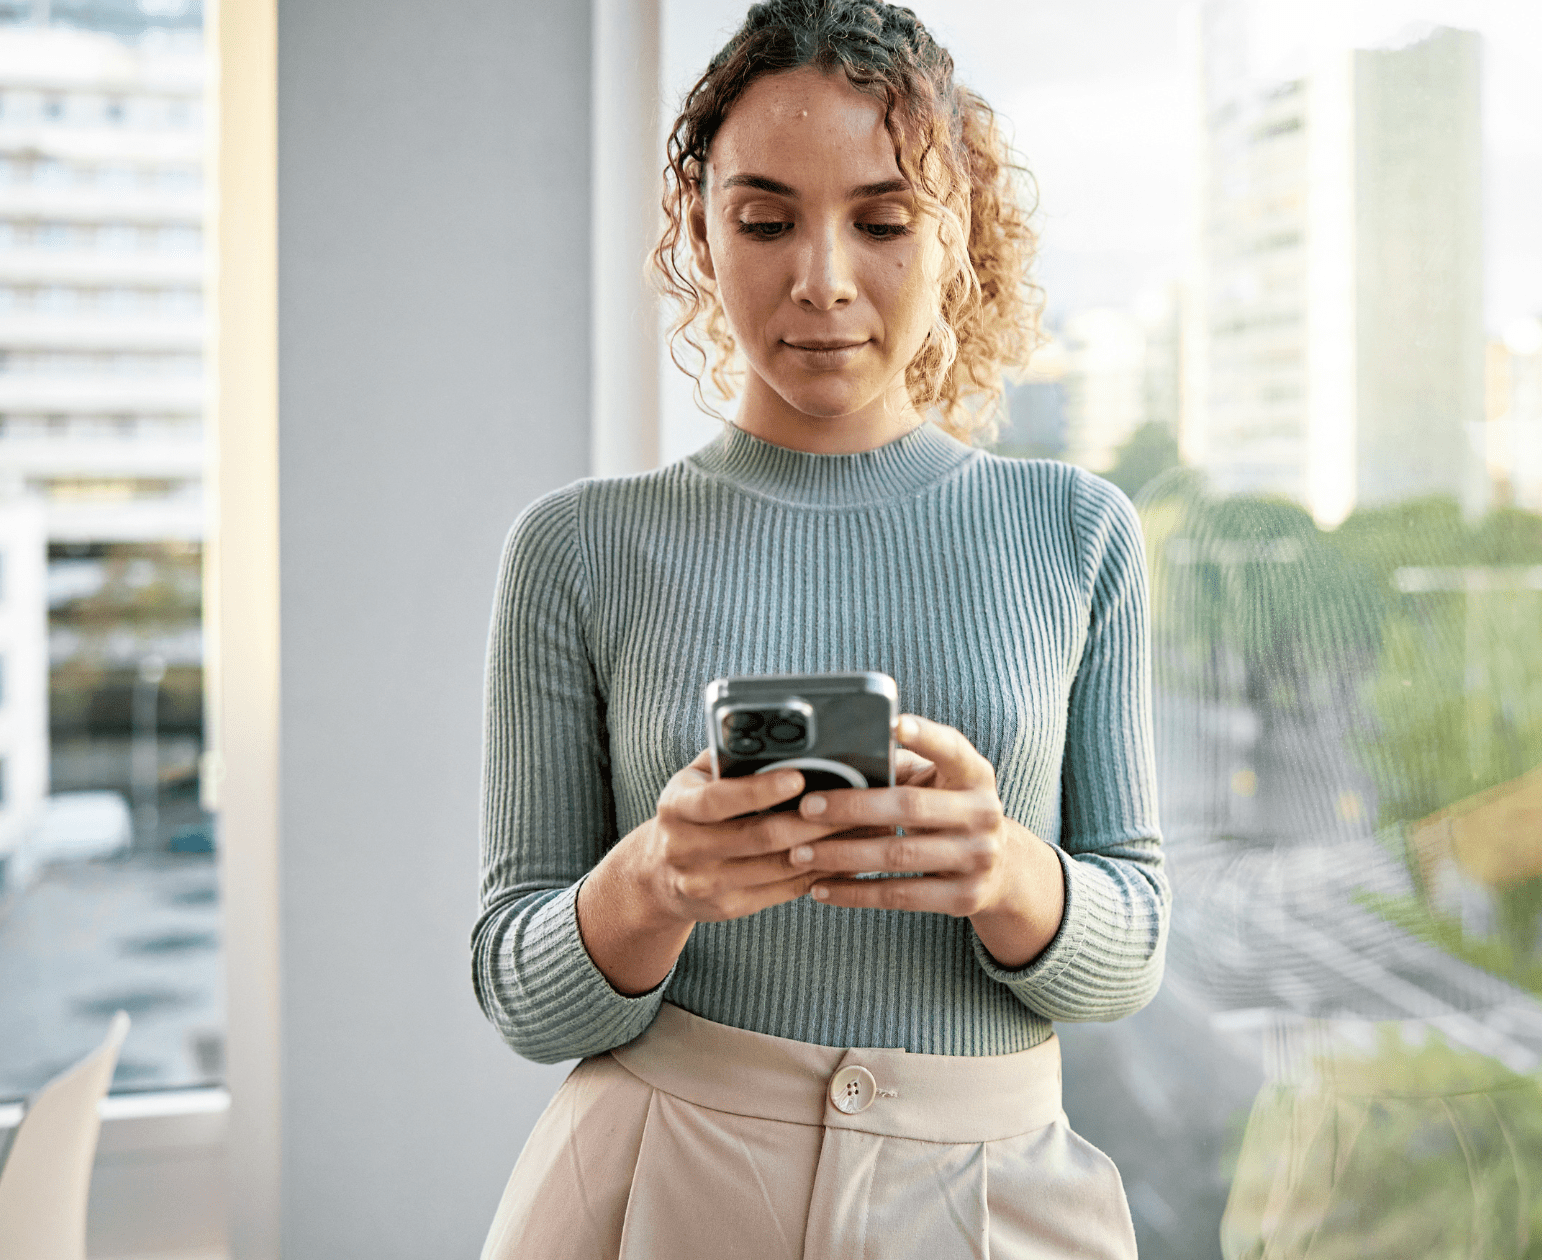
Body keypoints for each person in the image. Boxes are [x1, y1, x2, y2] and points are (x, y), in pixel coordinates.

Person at [471, 2, 1166, 1256]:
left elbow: (1130, 957)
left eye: (883, 223)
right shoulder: (575, 549)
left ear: (955, 233)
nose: (823, 280)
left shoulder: (1077, 532)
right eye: (765, 221)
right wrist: (656, 880)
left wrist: (1004, 872)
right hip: (658, 1184)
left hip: (989, 1199)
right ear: (698, 229)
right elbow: (522, 993)